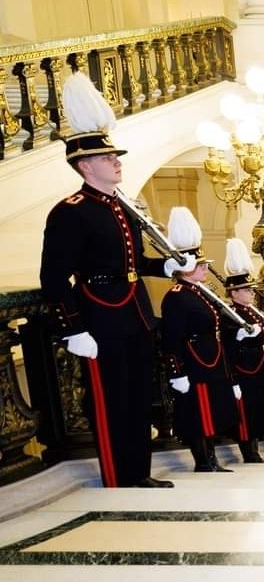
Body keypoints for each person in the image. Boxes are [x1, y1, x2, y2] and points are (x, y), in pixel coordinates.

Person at [39, 72, 176, 488]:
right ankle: (119, 476)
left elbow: (132, 261)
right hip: (100, 317)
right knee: (112, 401)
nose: (117, 161)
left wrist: (165, 268)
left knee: (137, 399)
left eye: (115, 156)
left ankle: (140, 473)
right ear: (85, 165)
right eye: (107, 158)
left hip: (134, 314)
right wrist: (74, 327)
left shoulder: (124, 207)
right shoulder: (71, 211)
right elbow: (52, 277)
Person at [160, 207, 240, 473]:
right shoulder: (177, 295)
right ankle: (203, 461)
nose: (206, 268)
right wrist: (176, 371)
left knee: (212, 410)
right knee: (198, 411)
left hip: (210, 359)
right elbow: (171, 336)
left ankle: (212, 459)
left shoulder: (199, 292)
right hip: (193, 362)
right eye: (201, 265)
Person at [221, 238, 264, 463]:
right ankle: (249, 452)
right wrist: (239, 335)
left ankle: (255, 450)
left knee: (257, 411)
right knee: (247, 412)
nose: (252, 293)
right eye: (246, 290)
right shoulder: (230, 313)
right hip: (244, 370)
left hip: (259, 369)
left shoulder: (253, 312)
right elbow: (227, 340)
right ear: (234, 293)